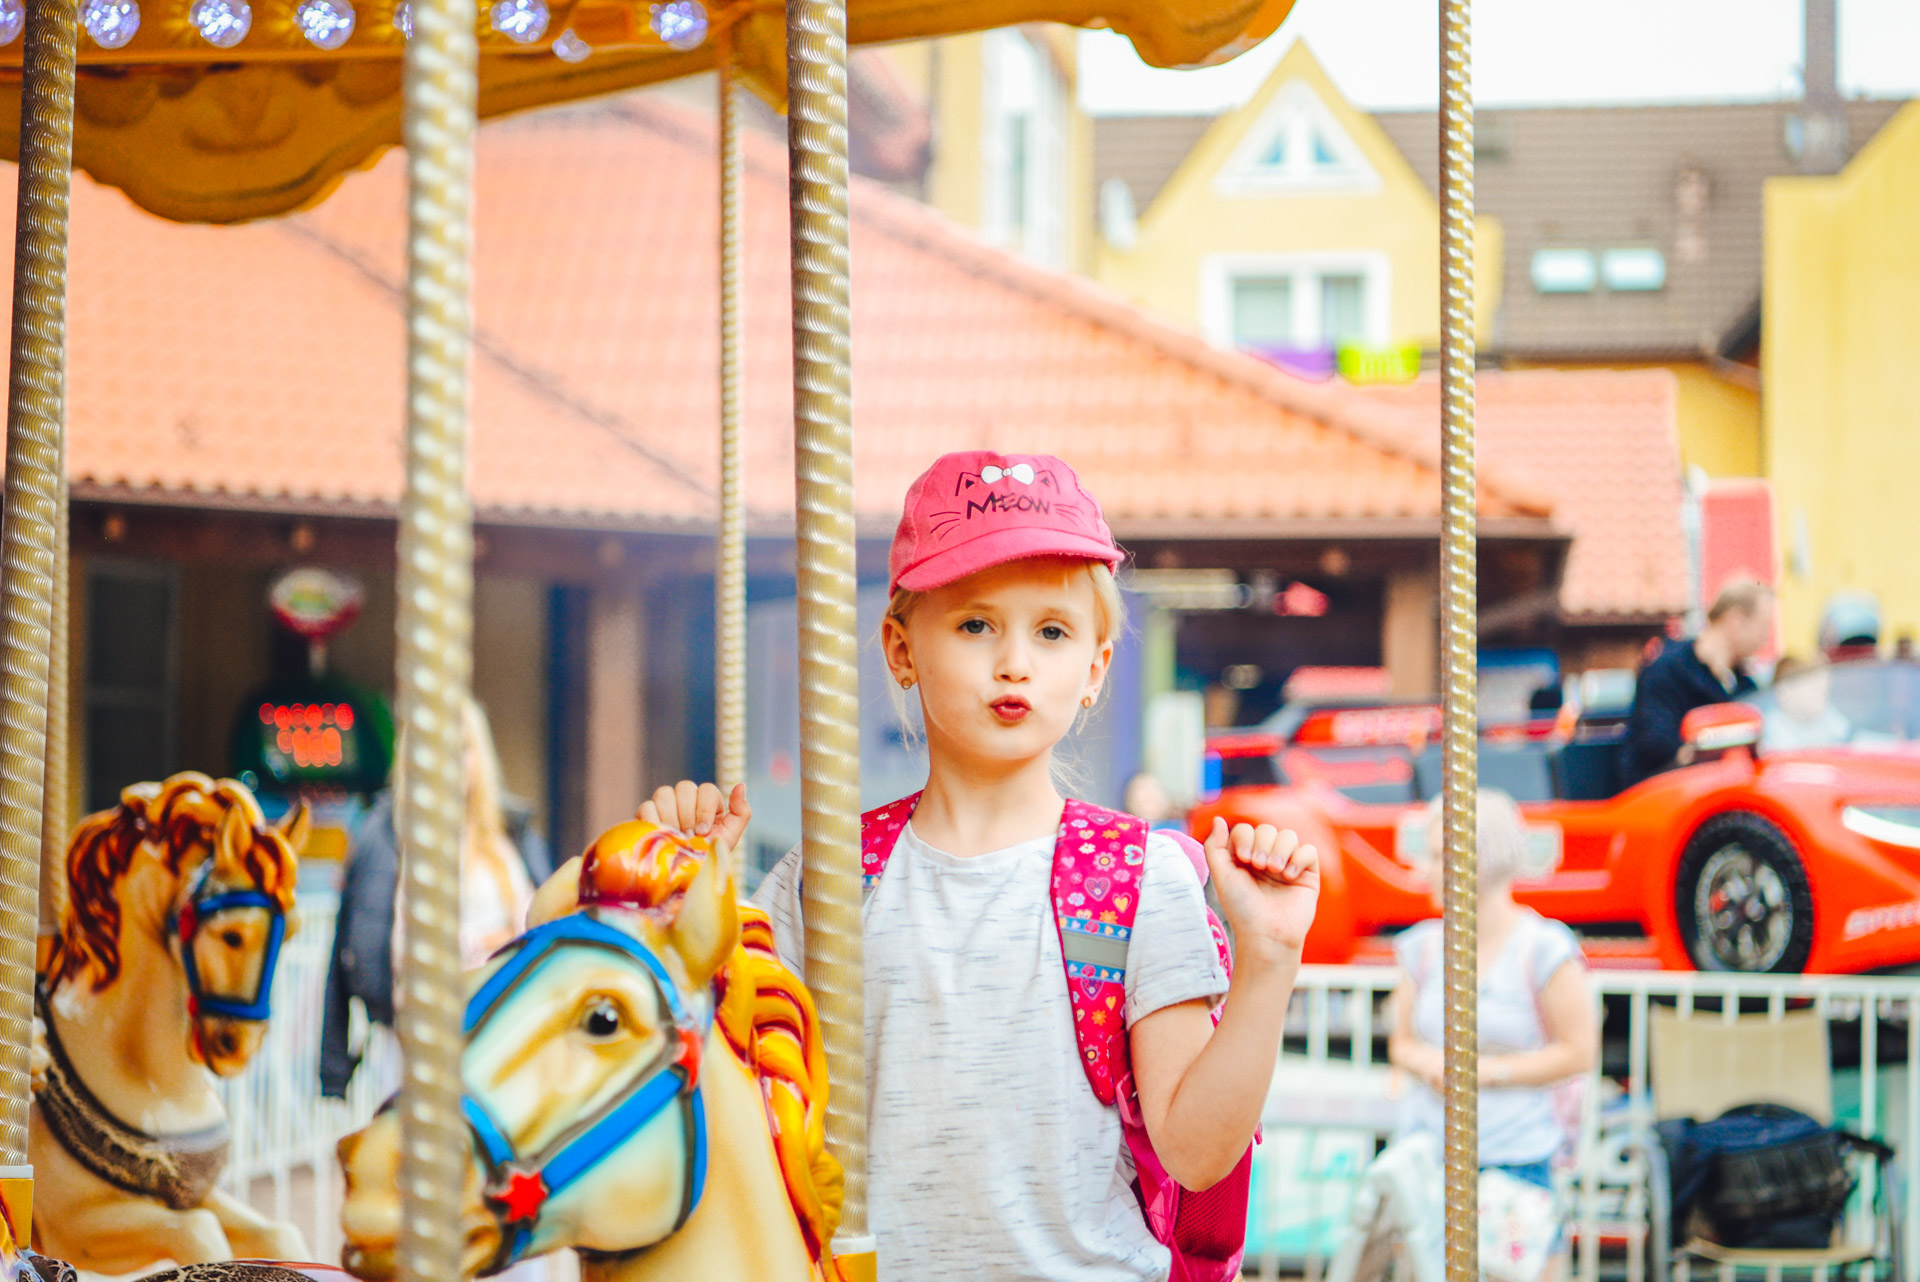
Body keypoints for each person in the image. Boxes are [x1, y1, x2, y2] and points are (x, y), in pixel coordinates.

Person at [640, 451, 1320, 1282]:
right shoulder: (826, 878)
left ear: (1096, 668)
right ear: (901, 648)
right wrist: (672, 900)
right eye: (974, 625)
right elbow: (720, 1092)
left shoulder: (1139, 878)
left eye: (1053, 632)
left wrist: (1271, 959)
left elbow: (1196, 1153)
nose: (1015, 662)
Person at [1387, 790, 1598, 1278]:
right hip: (1428, 1160)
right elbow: (1400, 1041)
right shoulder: (1419, 949)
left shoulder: (1545, 948)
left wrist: (1484, 1073)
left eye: (1439, 856)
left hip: (1515, 1160)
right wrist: (1433, 1067)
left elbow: (1579, 1050)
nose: (1426, 868)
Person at [321, 696, 545, 1098]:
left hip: (504, 1028)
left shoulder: (511, 836)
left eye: (461, 750)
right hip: (418, 1035)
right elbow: (352, 950)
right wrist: (333, 1065)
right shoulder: (387, 837)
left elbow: (540, 924)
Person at [1623, 578, 1774, 784]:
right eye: (1763, 626)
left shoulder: (1745, 685)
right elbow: (1655, 748)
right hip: (1663, 795)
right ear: (1736, 620)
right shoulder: (1667, 671)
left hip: (1723, 794)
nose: (1765, 638)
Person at [1761, 655, 1851, 751]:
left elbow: (1854, 740)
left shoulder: (1830, 717)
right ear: (1783, 692)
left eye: (1824, 683)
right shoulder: (1766, 735)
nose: (1823, 691)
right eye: (1813, 685)